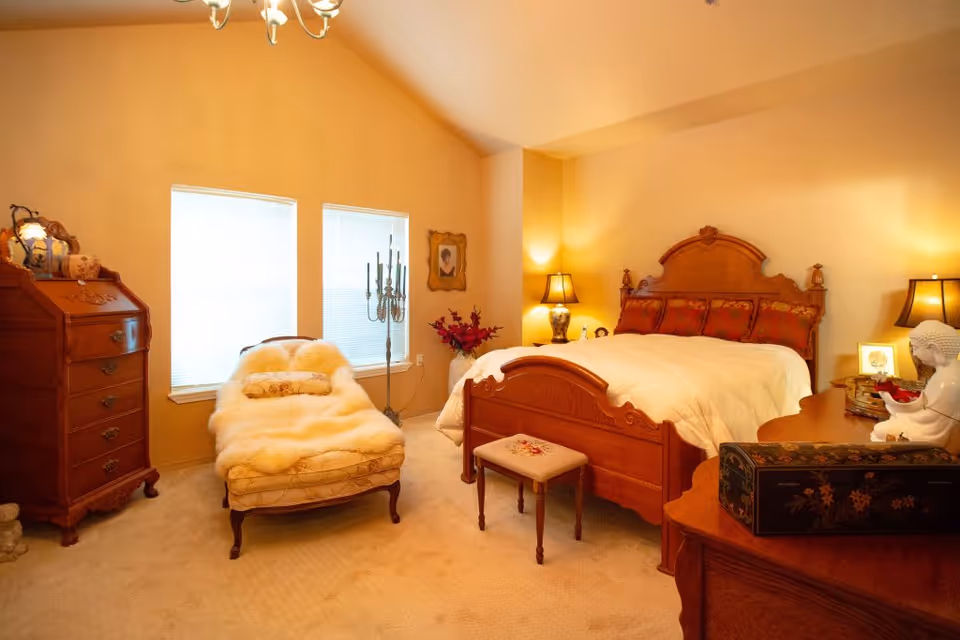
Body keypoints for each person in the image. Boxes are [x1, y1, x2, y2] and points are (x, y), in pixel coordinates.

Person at [871, 320, 960, 452]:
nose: (915, 354)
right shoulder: (948, 372)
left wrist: (902, 412)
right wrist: (890, 391)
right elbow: (925, 404)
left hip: (935, 434)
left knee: (881, 430)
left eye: (916, 348)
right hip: (927, 424)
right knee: (886, 426)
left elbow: (932, 420)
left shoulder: (947, 381)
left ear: (933, 348)